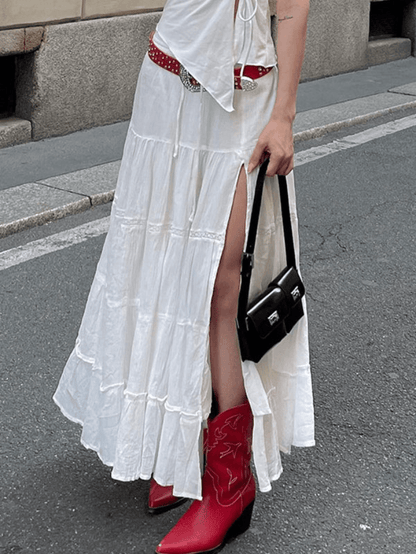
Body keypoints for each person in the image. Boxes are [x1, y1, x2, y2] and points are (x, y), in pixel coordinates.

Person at [53, 0, 314, 552]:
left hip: (246, 98)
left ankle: (229, 482)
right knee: (165, 269)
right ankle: (180, 445)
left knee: (221, 284)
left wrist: (284, 116)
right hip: (168, 88)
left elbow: (292, 4)